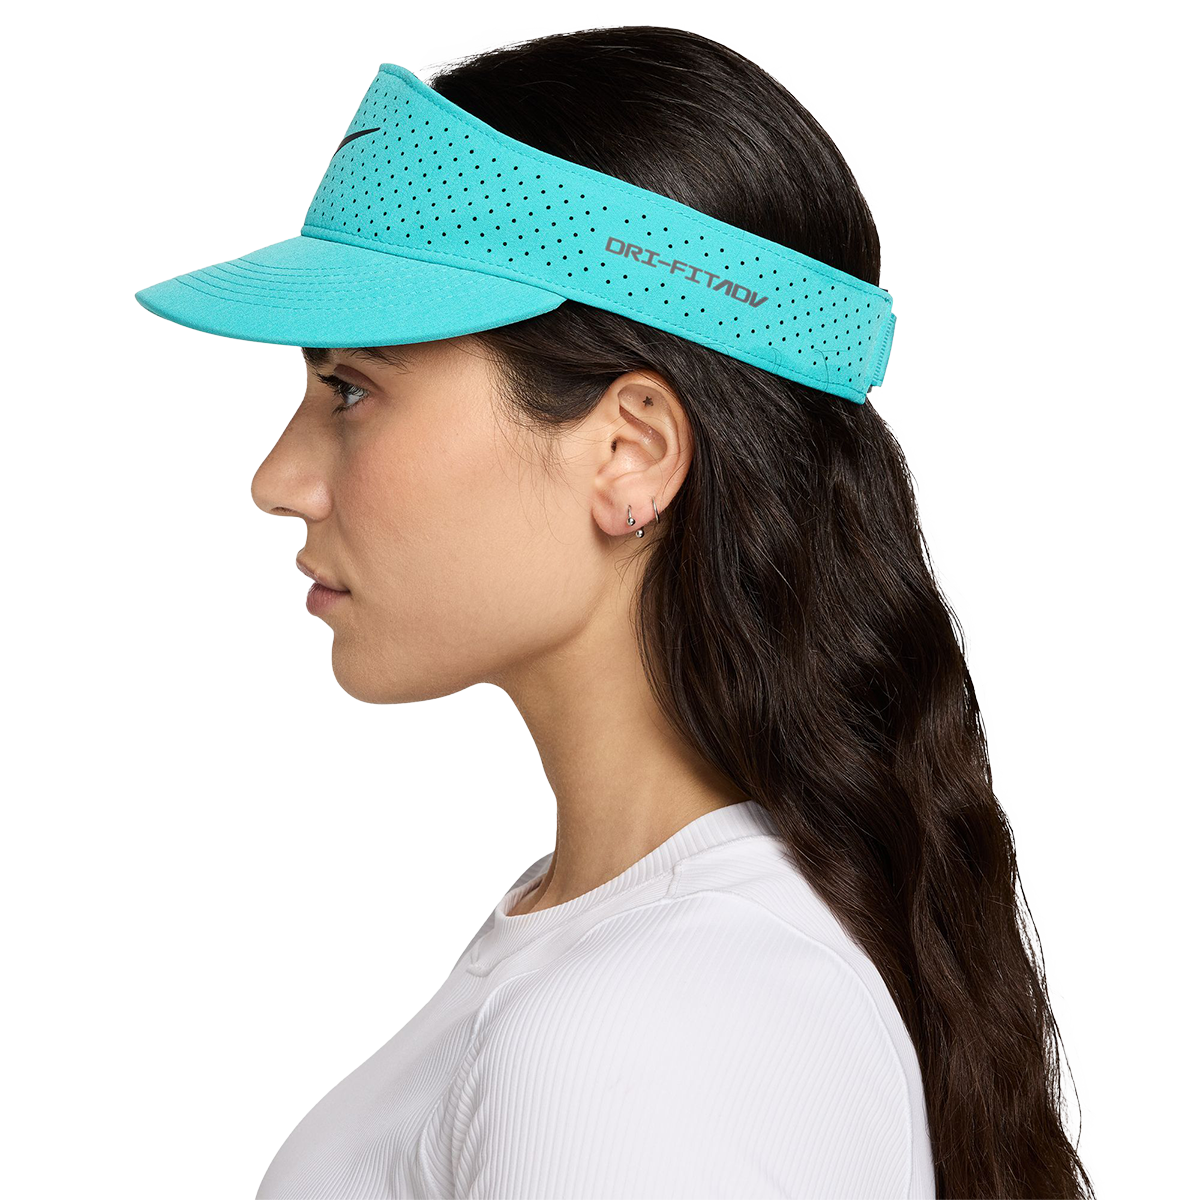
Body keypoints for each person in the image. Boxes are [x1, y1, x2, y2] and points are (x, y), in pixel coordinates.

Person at [134, 24, 1096, 1200]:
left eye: (350, 390)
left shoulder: (643, 1027)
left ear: (630, 449)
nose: (278, 480)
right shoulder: (672, 964)